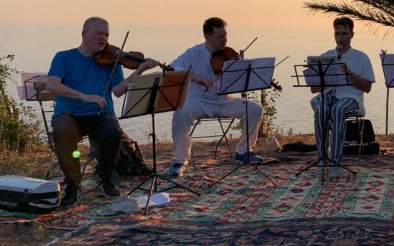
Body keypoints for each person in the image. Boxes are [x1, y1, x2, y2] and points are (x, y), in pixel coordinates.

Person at [46, 16, 159, 207]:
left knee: (113, 132)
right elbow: (52, 84)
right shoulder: (64, 57)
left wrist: (139, 70)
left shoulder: (111, 62)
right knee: (63, 133)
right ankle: (73, 184)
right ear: (84, 33)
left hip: (100, 113)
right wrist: (84, 96)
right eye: (99, 33)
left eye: (107, 34)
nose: (104, 38)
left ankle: (104, 176)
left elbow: (117, 91)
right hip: (70, 113)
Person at [167, 17, 264, 177]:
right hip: (198, 100)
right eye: (220, 37)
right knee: (181, 112)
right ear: (207, 37)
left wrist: (240, 69)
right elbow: (173, 68)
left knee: (255, 109)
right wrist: (196, 78)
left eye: (225, 35)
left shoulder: (228, 55)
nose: (224, 40)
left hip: (223, 100)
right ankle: (179, 160)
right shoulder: (194, 53)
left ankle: (243, 152)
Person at [310, 17, 374, 176]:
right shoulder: (326, 56)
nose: (340, 38)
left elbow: (367, 87)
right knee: (321, 107)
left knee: (337, 109)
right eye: (337, 34)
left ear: (352, 34)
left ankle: (336, 162)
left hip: (351, 97)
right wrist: (326, 77)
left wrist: (350, 74)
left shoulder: (361, 57)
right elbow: (314, 89)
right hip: (328, 94)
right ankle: (321, 158)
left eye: (344, 34)